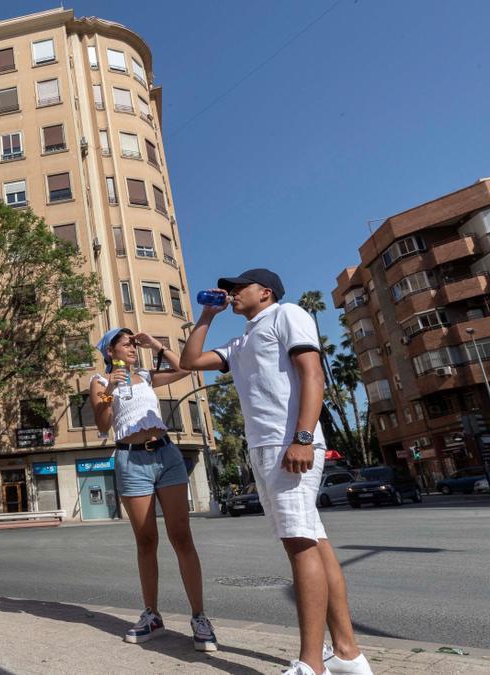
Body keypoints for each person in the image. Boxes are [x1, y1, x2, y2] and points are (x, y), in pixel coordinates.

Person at [179, 269, 371, 675]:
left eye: (237, 289)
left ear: (264, 292)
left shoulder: (287, 315)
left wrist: (303, 437)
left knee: (299, 545)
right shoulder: (242, 339)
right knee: (312, 542)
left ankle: (311, 664)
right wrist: (207, 316)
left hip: (290, 445)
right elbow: (190, 361)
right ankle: (348, 654)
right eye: (228, 291)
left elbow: (312, 374)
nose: (230, 294)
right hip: (264, 447)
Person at [90, 327, 219, 652]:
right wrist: (110, 391)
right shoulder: (100, 381)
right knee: (146, 540)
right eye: (127, 343)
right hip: (131, 460)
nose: (133, 347)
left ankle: (199, 617)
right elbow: (103, 423)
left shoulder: (146, 376)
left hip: (166, 455)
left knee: (182, 536)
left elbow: (185, 368)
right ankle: (152, 614)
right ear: (110, 351)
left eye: (135, 343)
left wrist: (157, 344)